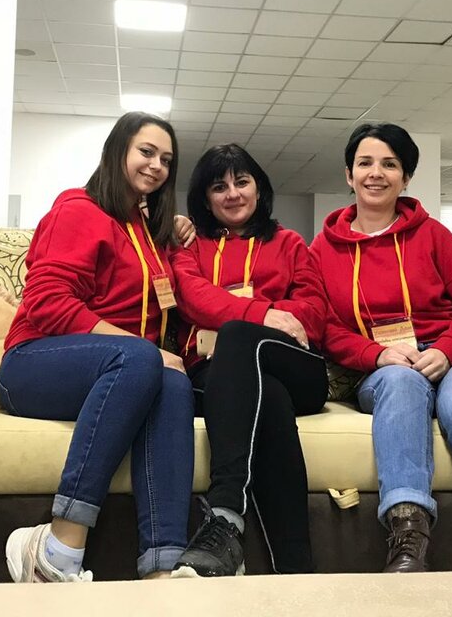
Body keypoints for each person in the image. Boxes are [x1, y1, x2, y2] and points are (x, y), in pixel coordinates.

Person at [309, 123, 452, 574]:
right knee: (401, 384)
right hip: (385, 365)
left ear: (405, 178)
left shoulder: (433, 235)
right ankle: (408, 541)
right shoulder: (322, 250)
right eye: (365, 163)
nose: (376, 173)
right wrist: (377, 355)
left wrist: (448, 349)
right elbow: (325, 326)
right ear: (348, 174)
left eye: (389, 164)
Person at [0, 111, 193, 583]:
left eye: (166, 159)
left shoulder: (146, 229)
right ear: (117, 150)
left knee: (173, 381)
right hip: (33, 364)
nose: (157, 166)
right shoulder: (78, 209)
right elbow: (46, 303)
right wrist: (144, 350)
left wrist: (179, 235)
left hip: (118, 371)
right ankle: (56, 550)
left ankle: (162, 568)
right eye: (146, 152)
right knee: (144, 357)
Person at [168, 144, 328, 578]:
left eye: (242, 182)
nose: (233, 193)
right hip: (214, 376)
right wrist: (266, 312)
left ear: (259, 189)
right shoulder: (190, 246)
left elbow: (314, 313)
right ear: (205, 199)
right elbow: (191, 297)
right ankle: (295, 572)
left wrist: (245, 319)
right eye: (219, 187)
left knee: (238, 336)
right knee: (267, 397)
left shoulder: (289, 243)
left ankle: (225, 516)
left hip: (296, 371)